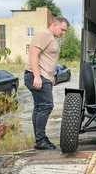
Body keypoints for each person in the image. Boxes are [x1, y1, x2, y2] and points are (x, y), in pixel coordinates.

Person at [24, 17, 69, 150]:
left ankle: (40, 140)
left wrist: (52, 76)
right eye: (62, 29)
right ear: (54, 25)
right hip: (37, 76)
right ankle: (41, 140)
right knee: (46, 106)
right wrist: (37, 76)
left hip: (45, 77)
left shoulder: (52, 38)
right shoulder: (44, 34)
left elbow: (49, 59)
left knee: (39, 107)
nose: (63, 33)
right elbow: (33, 54)